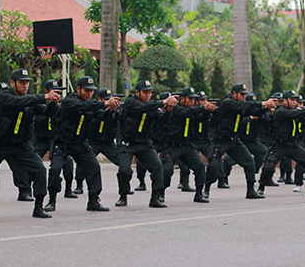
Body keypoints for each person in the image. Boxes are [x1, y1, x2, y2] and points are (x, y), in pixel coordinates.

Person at [0, 69, 61, 219]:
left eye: (27, 82)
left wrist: (53, 104)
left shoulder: (31, 99)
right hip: (0, 144)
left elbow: (47, 112)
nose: (25, 85)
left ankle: (38, 207)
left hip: (22, 145)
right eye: (22, 82)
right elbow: (19, 102)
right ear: (13, 82)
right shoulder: (4, 96)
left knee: (40, 170)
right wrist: (43, 97)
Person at [46, 77, 118, 212]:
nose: (89, 94)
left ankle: (93, 201)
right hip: (63, 143)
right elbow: (83, 106)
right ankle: (52, 201)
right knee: (55, 169)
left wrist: (110, 110)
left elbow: (102, 116)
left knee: (94, 167)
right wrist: (105, 104)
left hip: (80, 144)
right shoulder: (69, 101)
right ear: (78, 89)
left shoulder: (91, 104)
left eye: (91, 91)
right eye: (86, 90)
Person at [205, 83, 275, 199]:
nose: (244, 97)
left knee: (249, 162)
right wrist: (263, 103)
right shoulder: (227, 102)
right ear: (234, 94)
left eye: (244, 95)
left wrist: (265, 108)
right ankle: (206, 189)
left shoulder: (241, 105)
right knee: (214, 167)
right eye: (241, 95)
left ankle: (251, 190)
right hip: (220, 141)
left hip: (234, 141)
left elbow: (253, 111)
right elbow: (245, 106)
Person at [116, 80, 177, 208]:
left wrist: (169, 110)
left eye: (150, 92)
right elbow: (142, 108)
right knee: (124, 170)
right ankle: (123, 196)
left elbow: (162, 120)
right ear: (137, 92)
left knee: (157, 167)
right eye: (145, 92)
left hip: (144, 143)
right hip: (128, 143)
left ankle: (155, 198)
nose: (148, 95)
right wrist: (163, 102)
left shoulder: (152, 106)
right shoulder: (130, 102)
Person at [258, 90, 305, 196]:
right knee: (269, 167)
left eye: (295, 100)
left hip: (293, 145)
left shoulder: (295, 111)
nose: (295, 102)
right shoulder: (280, 111)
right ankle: (261, 187)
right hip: (279, 145)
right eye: (292, 100)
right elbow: (296, 113)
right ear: (285, 101)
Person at [162, 87, 215, 203]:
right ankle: (160, 193)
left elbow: (200, 118)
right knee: (167, 170)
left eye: (193, 99)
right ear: (182, 99)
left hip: (187, 146)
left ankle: (199, 193)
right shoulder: (175, 108)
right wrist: (202, 108)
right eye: (189, 99)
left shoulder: (193, 110)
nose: (192, 101)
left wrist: (207, 111)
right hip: (172, 146)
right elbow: (186, 113)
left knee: (200, 166)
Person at [33, 80, 78, 202]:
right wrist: (50, 106)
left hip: (55, 139)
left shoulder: (64, 104)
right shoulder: (39, 103)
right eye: (54, 91)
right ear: (46, 92)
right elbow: (37, 119)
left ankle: (68, 189)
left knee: (67, 161)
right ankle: (25, 190)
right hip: (41, 139)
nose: (57, 94)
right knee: (32, 162)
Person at [85, 88, 124, 195]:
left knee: (123, 163)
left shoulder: (115, 110)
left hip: (108, 143)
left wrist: (115, 110)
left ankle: (125, 187)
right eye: (106, 99)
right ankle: (79, 184)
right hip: (94, 142)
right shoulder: (94, 108)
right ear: (100, 99)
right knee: (84, 164)